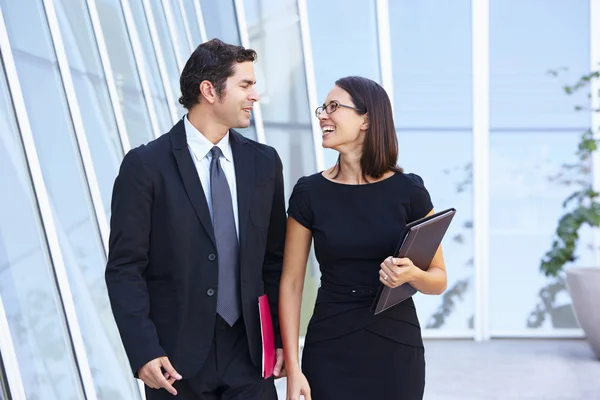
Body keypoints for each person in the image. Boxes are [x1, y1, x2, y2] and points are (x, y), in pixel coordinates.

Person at [105, 39, 286, 399]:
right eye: (245, 85)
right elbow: (125, 268)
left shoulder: (265, 164)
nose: (255, 96)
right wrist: (143, 351)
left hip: (250, 355)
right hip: (174, 362)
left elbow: (274, 261)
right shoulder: (145, 166)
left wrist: (279, 339)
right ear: (209, 91)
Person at [279, 76, 448, 400]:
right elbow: (291, 284)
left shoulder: (409, 190)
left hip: (396, 347)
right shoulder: (308, 192)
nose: (322, 116)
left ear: (366, 119)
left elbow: (438, 280)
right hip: (329, 344)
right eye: (322, 108)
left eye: (333, 107)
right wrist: (294, 368)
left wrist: (410, 275)